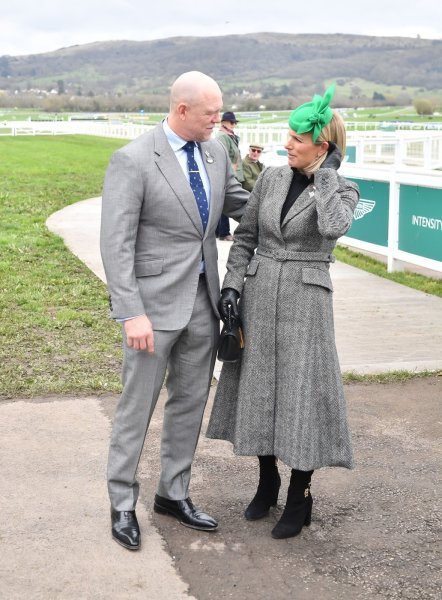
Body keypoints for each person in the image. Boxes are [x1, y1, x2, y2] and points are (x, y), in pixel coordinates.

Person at [100, 71, 249, 550]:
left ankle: (173, 493)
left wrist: (302, 194)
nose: (217, 120)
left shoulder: (216, 152)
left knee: (189, 404)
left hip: (204, 305)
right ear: (182, 110)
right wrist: (130, 312)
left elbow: (241, 204)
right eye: (210, 113)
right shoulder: (133, 160)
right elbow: (116, 244)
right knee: (136, 407)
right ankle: (122, 501)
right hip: (151, 310)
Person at [207, 85, 360, 539]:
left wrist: (327, 176)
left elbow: (333, 227)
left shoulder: (343, 190)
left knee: (301, 395)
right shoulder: (272, 178)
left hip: (307, 303)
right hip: (259, 293)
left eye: (297, 138)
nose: (287, 143)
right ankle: (267, 479)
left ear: (322, 146)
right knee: (261, 390)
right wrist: (233, 285)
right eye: (288, 136)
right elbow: (247, 236)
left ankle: (300, 495)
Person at [215, 111, 244, 241]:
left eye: (234, 123)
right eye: (232, 122)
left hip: (233, 173)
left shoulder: (230, 136)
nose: (233, 125)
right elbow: (223, 156)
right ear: (224, 123)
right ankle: (224, 233)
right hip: (227, 174)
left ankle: (219, 232)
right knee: (226, 203)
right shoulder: (222, 136)